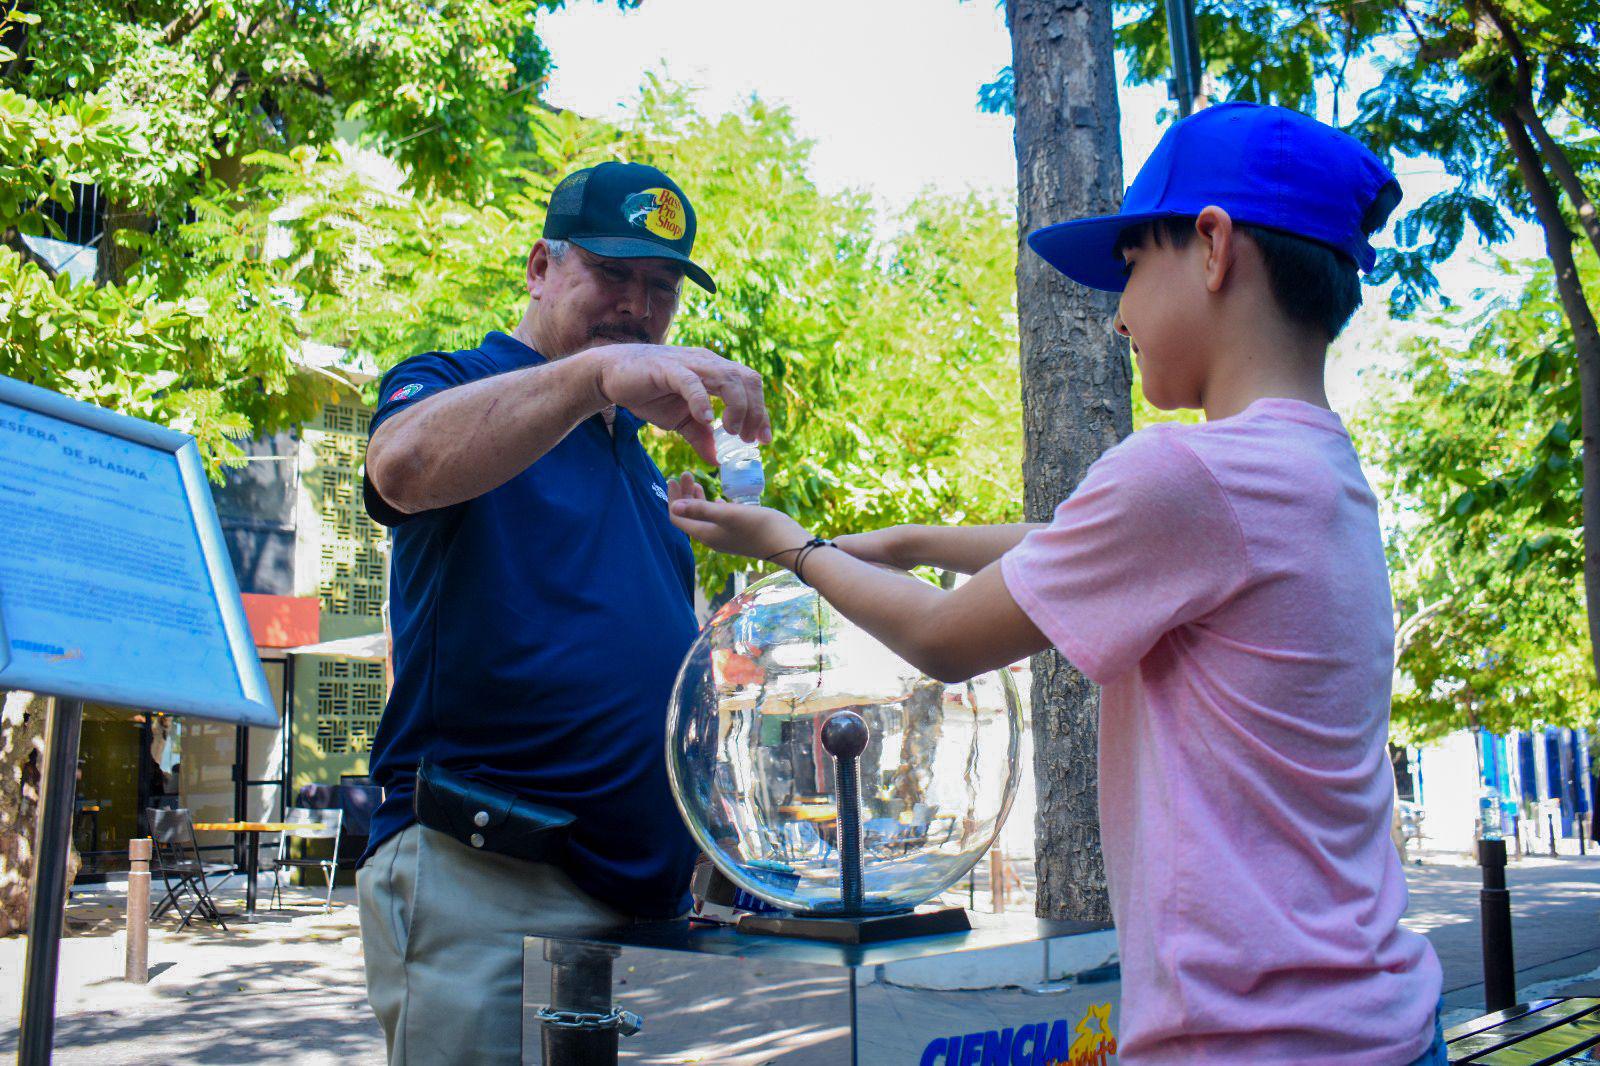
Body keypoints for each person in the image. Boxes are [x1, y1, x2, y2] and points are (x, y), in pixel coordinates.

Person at [666, 102, 1448, 1064]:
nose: (1116, 312)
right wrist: (908, 537)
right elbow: (1088, 542)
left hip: (1256, 1044)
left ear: (1211, 246)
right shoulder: (1316, 473)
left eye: (1129, 266)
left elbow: (946, 640)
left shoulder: (1185, 476)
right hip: (1382, 1027)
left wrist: (789, 545)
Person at [356, 161, 770, 1066]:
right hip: (489, 880)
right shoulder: (456, 379)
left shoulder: (640, 458)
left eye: (661, 287)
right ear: (540, 266)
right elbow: (399, 469)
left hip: (645, 903)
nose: (637, 305)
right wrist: (598, 377)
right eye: (612, 273)